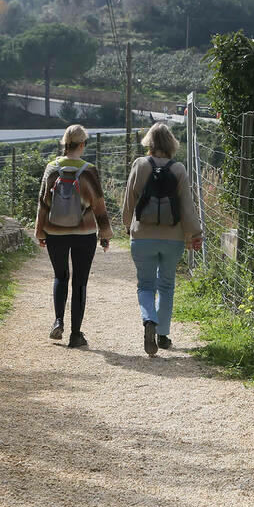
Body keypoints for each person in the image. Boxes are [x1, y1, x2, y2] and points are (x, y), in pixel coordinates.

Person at [122, 123, 203, 357]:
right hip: (173, 238)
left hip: (142, 237)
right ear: (171, 144)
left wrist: (127, 224)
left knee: (145, 285)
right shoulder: (178, 169)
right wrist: (194, 234)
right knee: (166, 285)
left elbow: (129, 199)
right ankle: (164, 335)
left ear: (149, 142)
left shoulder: (139, 164)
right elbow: (187, 205)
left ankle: (149, 320)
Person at [35, 124, 112, 348]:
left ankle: (58, 321)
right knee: (80, 282)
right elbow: (99, 206)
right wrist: (104, 234)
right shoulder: (89, 170)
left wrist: (41, 232)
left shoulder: (51, 169)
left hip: (55, 231)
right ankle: (76, 334)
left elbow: (43, 204)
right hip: (84, 233)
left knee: (60, 276)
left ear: (64, 144)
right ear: (82, 144)